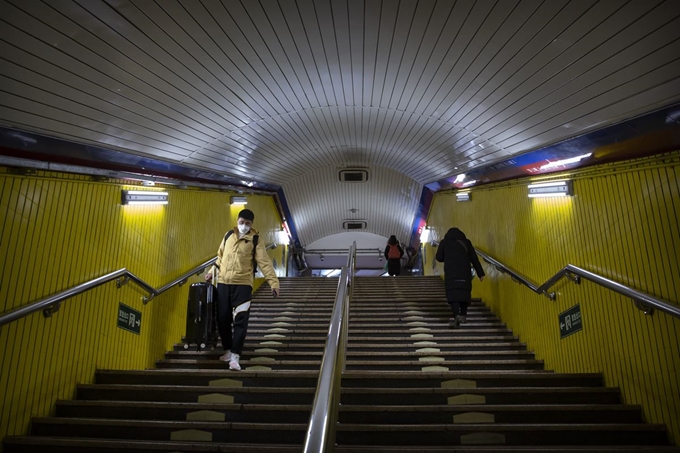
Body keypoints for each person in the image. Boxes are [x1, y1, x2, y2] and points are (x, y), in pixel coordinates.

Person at [206, 209, 280, 370]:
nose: (244, 226)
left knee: (240, 319)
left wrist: (273, 283)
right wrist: (212, 273)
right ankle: (227, 350)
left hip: (243, 285)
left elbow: (264, 262)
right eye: (241, 222)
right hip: (223, 283)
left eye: (247, 223)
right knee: (223, 319)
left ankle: (236, 356)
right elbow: (220, 257)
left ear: (252, 224)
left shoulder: (255, 240)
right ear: (237, 221)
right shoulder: (228, 236)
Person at [435, 227, 485, 328]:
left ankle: (456, 315)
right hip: (464, 273)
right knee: (464, 293)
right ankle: (463, 314)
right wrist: (480, 273)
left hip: (451, 273)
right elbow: (474, 258)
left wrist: (448, 256)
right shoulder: (466, 242)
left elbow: (439, 257)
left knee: (453, 294)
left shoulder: (444, 242)